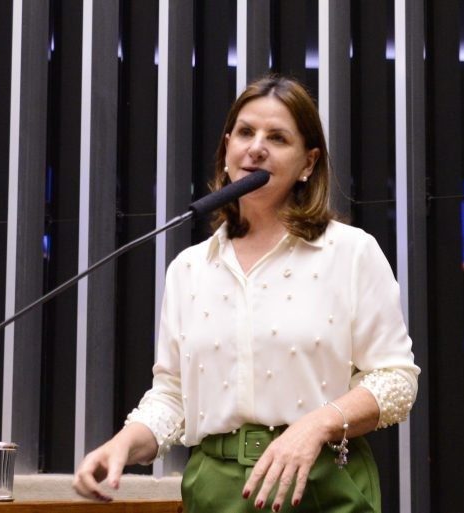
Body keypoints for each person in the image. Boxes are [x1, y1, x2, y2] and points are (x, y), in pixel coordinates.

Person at [73, 74, 420, 512]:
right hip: (216, 489)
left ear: (308, 163)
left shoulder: (351, 252)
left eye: (277, 137)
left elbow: (395, 381)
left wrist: (316, 425)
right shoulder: (189, 269)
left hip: (321, 482)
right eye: (245, 133)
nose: (256, 147)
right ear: (226, 150)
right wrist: (123, 444)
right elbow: (173, 397)